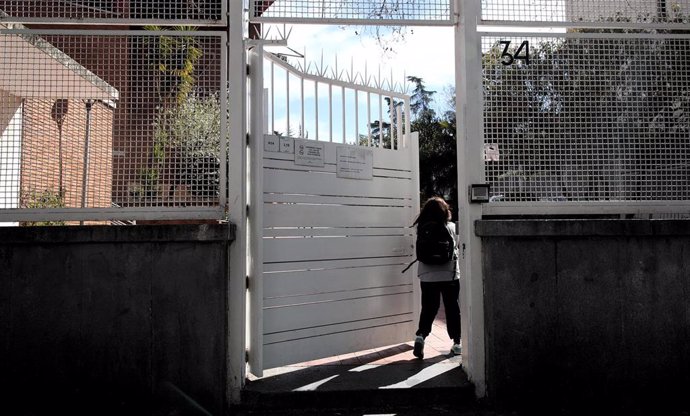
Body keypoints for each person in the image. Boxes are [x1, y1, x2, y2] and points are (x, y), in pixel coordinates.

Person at [411, 196, 461, 359]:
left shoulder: (420, 227)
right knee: (452, 307)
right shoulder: (452, 227)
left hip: (427, 275)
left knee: (428, 307)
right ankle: (457, 343)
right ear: (445, 211)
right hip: (450, 274)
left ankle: (420, 336)